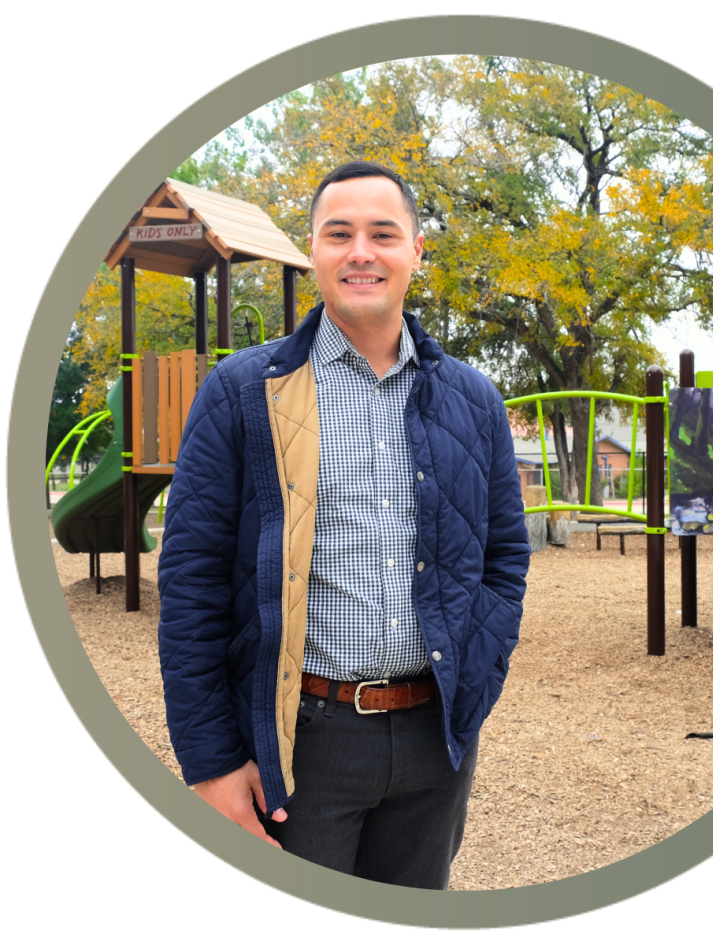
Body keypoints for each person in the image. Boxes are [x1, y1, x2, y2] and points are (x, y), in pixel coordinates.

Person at [158, 160, 530, 889]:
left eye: (383, 233)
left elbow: (504, 557)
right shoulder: (242, 394)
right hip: (302, 745)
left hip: (436, 742)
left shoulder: (474, 402)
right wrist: (210, 761)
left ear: (415, 251)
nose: (361, 251)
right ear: (314, 251)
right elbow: (192, 581)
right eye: (340, 234)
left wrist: (475, 682)